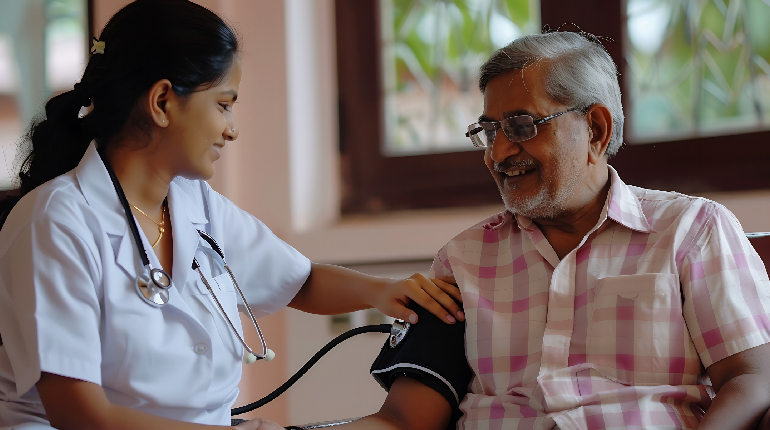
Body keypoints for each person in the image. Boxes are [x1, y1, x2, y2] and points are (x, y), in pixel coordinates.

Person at [0, 1, 465, 429]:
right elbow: (80, 414)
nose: (233, 129)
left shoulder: (192, 202)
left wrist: (383, 292)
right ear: (163, 102)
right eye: (223, 105)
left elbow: (298, 280)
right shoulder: (55, 223)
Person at [339, 31, 770, 430]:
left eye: (522, 127)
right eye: (489, 132)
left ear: (595, 130)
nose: (501, 152)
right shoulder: (463, 258)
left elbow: (753, 377)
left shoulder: (691, 230)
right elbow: (404, 420)